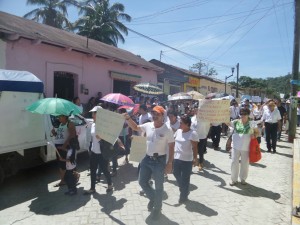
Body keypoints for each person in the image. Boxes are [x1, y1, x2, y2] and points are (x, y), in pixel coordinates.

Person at [124, 105, 175, 220]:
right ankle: (153, 198)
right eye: (153, 113)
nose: (154, 116)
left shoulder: (168, 130)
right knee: (142, 182)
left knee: (159, 187)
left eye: (157, 114)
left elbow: (172, 147)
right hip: (146, 159)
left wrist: (170, 163)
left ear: (163, 116)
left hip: (159, 161)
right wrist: (128, 118)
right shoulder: (148, 125)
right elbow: (136, 127)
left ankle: (157, 209)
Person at [84, 106, 113, 194]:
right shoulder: (93, 124)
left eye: (94, 113)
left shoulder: (104, 125)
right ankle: (92, 188)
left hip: (102, 152)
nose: (92, 115)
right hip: (94, 151)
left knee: (104, 170)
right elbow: (92, 138)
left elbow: (110, 138)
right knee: (93, 170)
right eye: (92, 113)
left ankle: (110, 184)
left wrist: (101, 138)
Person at [229, 108, 258, 186]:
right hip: (235, 146)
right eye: (241, 115)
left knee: (244, 163)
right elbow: (227, 123)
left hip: (246, 148)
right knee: (234, 162)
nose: (243, 116)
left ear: (248, 115)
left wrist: (254, 135)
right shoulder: (236, 122)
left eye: (244, 115)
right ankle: (234, 180)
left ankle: (243, 179)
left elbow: (258, 133)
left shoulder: (252, 123)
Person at [173, 115, 198, 203]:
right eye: (179, 123)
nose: (180, 124)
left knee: (185, 178)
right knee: (175, 173)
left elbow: (195, 147)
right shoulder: (178, 131)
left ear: (187, 124)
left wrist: (195, 158)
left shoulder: (193, 133)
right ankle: (184, 189)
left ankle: (183, 196)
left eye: (181, 123)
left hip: (187, 160)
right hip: (177, 158)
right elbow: (174, 143)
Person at [51, 115, 76, 187]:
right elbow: (59, 135)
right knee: (60, 164)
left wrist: (64, 146)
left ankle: (64, 180)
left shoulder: (70, 123)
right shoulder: (61, 124)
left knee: (64, 164)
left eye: (60, 116)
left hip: (64, 147)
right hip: (58, 146)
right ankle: (63, 180)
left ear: (65, 116)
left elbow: (72, 135)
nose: (58, 118)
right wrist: (54, 133)